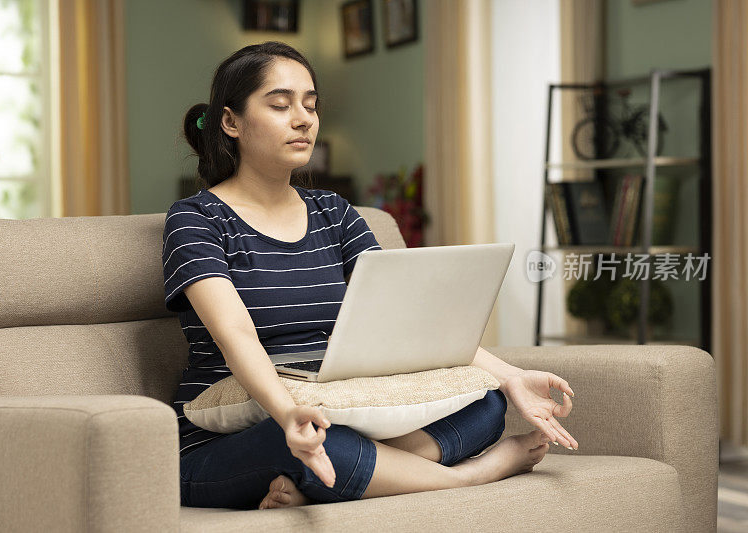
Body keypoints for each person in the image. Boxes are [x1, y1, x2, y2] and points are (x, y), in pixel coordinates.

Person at [162, 41, 579, 511]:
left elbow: (408, 320)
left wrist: (511, 377)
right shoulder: (196, 219)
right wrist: (288, 413)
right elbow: (235, 334)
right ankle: (469, 477)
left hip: (340, 417)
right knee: (296, 441)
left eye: (311, 105)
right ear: (231, 121)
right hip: (228, 442)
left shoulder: (335, 214)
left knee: (486, 403)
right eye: (280, 105)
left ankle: (340, 476)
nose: (303, 118)